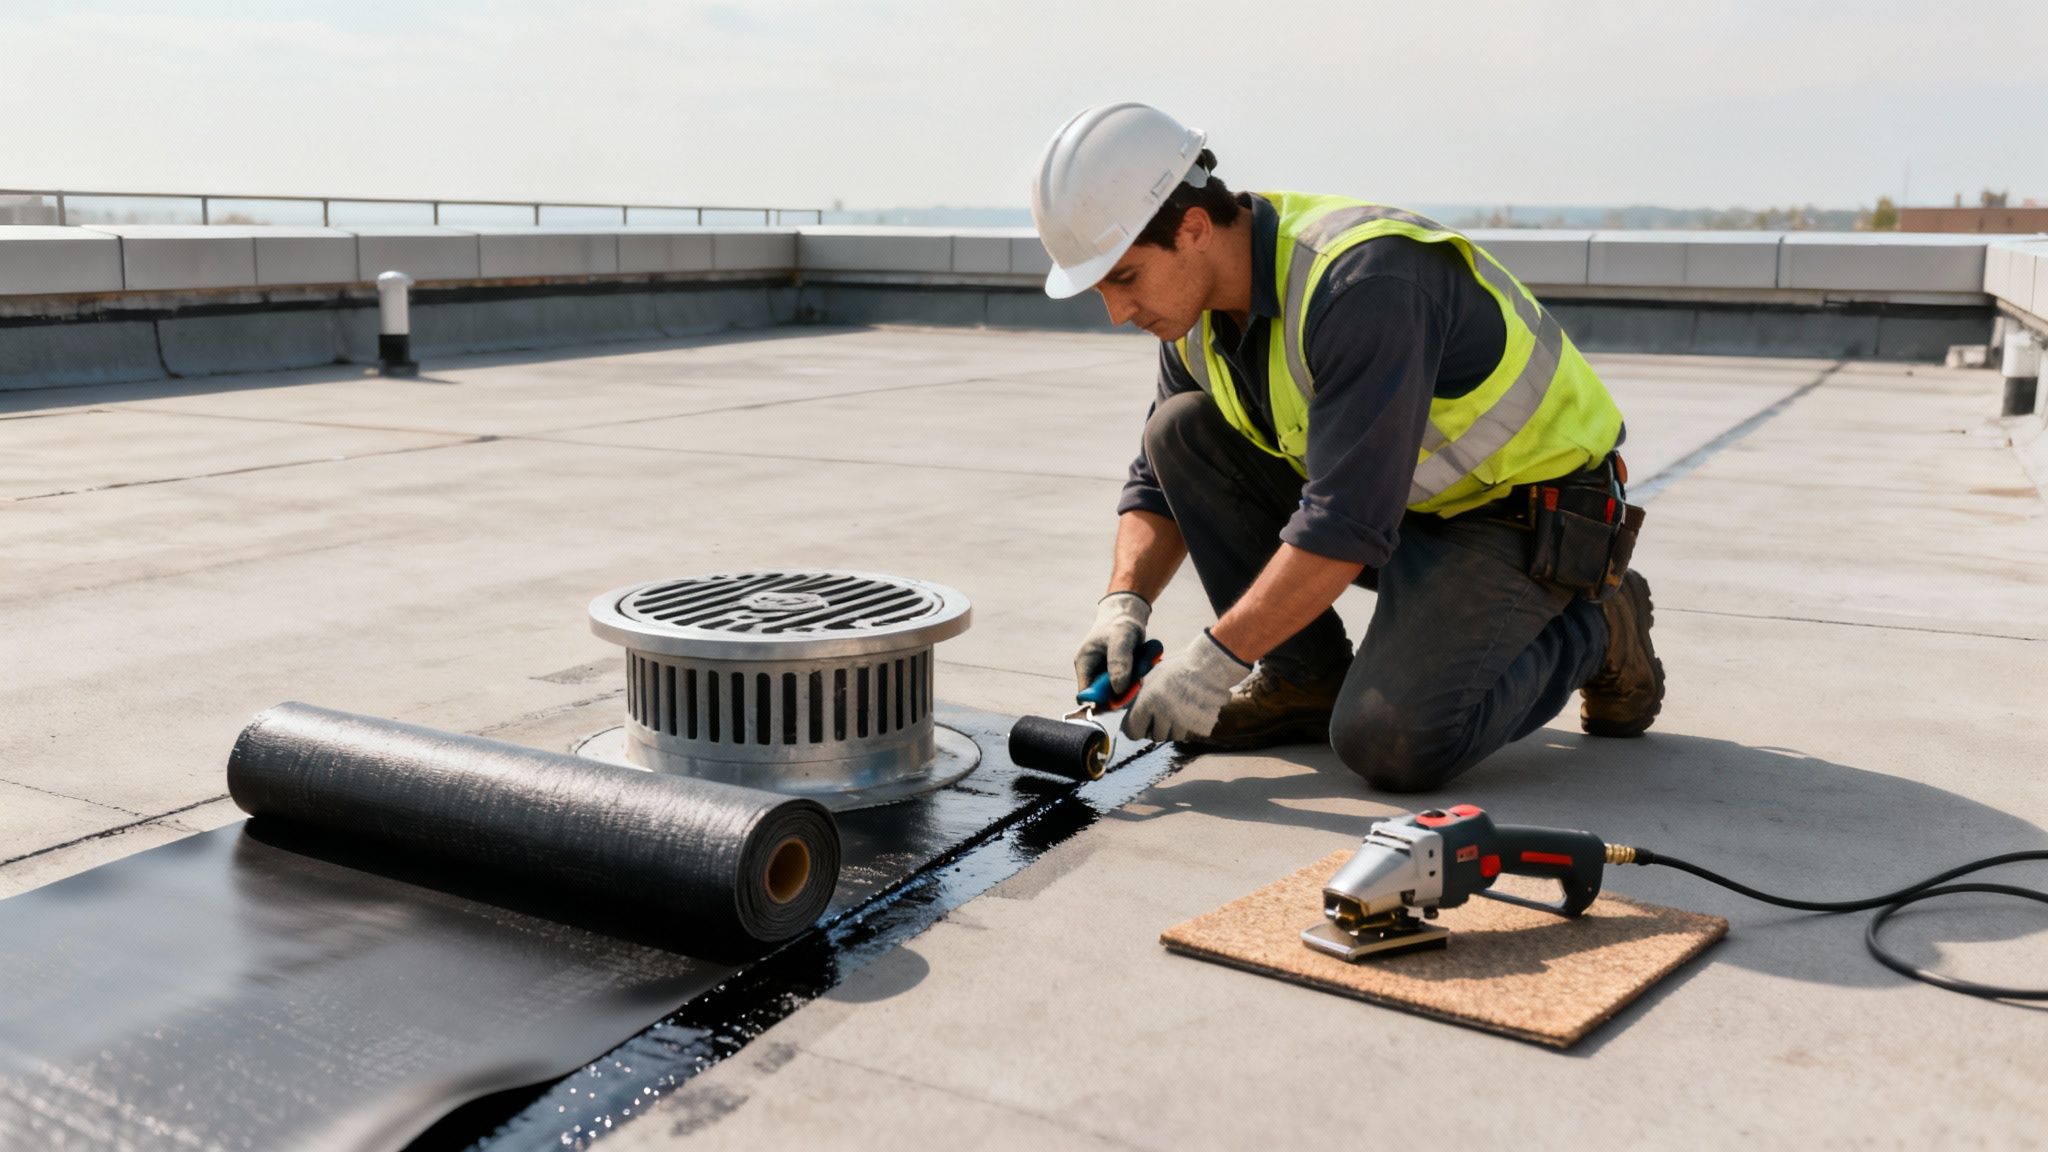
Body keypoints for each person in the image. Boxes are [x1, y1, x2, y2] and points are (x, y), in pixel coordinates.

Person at [1031, 103, 1663, 794]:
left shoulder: (1363, 282)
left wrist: (1217, 660)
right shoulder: (1195, 312)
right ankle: (1305, 680)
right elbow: (1157, 482)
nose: (1117, 312)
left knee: (1390, 742)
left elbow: (1343, 525)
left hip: (1526, 521)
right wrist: (1123, 604)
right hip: (1402, 513)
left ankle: (1598, 623)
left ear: (1193, 228)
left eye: (1124, 279)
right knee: (1178, 429)